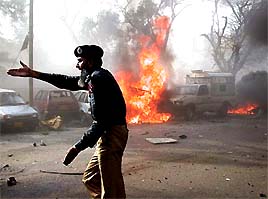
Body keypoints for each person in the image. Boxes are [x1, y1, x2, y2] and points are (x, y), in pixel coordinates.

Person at [7, 45, 129, 199]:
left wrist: (77, 147)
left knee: (110, 190)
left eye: (80, 61)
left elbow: (101, 121)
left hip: (111, 135)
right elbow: (67, 81)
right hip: (107, 134)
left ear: (89, 61)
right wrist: (34, 74)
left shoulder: (98, 78)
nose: (77, 65)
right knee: (90, 178)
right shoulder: (94, 77)